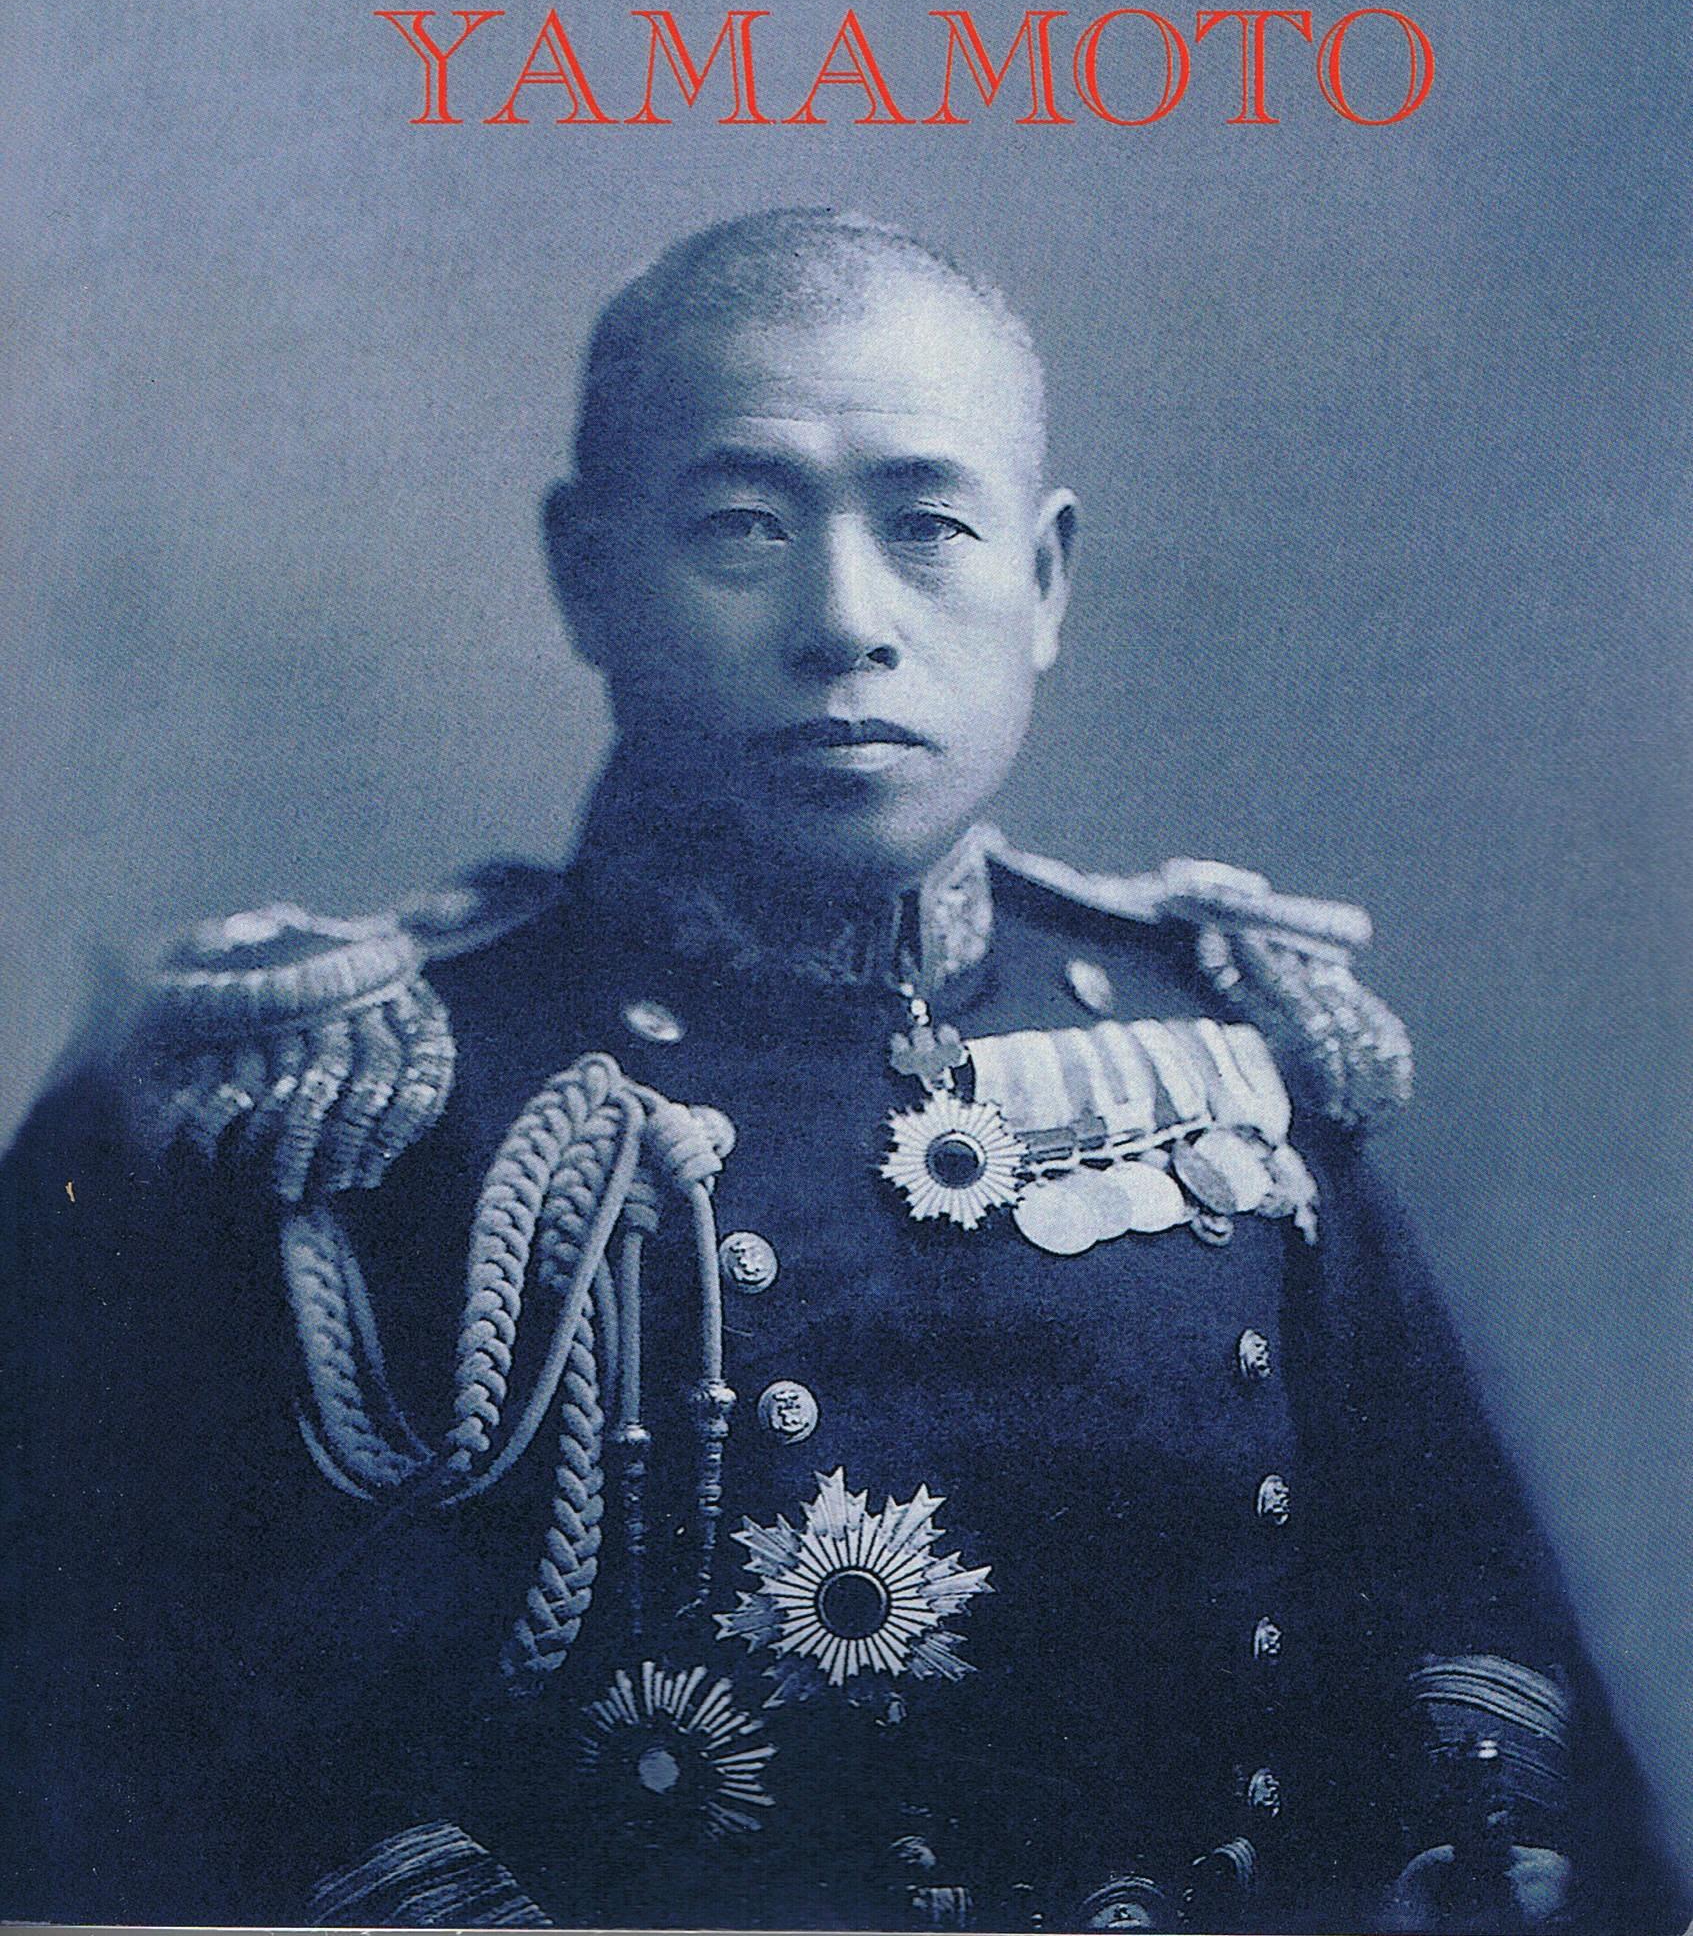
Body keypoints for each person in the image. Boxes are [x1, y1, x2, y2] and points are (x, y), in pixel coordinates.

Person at [0, 210, 1680, 1935]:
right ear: (586, 572)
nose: (843, 621)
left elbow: (1470, 1645)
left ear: (1044, 582)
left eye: (927, 524)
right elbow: (96, 1768)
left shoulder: (1236, 1058)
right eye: (741, 526)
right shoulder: (300, 1123)